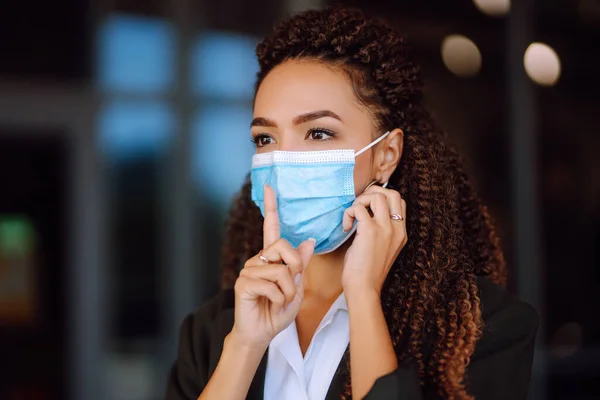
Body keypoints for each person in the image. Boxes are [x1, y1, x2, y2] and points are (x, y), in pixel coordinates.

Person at [165, 6, 538, 400]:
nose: (284, 159)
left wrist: (362, 297)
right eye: (265, 138)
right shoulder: (212, 331)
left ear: (387, 155)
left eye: (319, 133)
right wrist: (244, 346)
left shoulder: (480, 329)